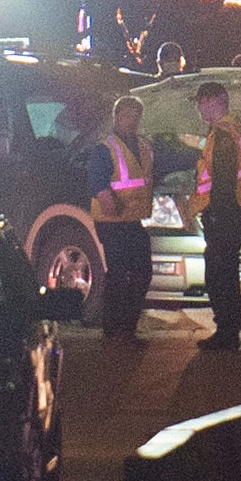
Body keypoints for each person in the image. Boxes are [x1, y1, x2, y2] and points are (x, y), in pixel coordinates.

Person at [190, 77, 241, 350]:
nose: (199, 109)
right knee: (227, 271)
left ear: (212, 102)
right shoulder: (234, 129)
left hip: (223, 214)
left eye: (201, 103)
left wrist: (212, 214)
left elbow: (222, 180)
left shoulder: (222, 134)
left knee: (220, 274)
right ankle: (228, 330)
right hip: (236, 211)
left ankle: (226, 332)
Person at [83, 94, 156, 339]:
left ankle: (126, 328)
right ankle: (115, 329)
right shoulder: (106, 148)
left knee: (141, 272)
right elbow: (98, 182)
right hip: (112, 223)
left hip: (132, 221)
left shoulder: (144, 146)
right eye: (127, 116)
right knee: (119, 274)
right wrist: (108, 201)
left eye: (136, 116)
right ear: (116, 117)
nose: (132, 121)